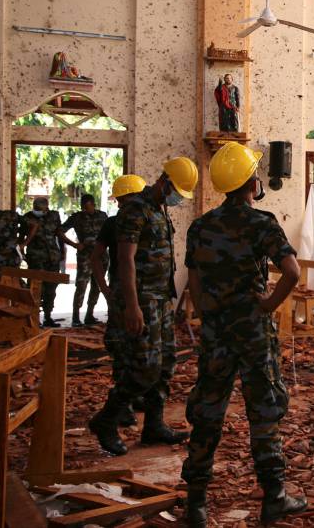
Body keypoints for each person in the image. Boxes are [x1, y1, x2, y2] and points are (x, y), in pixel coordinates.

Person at [182, 142, 305, 527]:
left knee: (207, 414)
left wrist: (207, 316)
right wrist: (268, 305)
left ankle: (197, 504)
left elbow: (194, 281)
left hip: (217, 334)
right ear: (251, 182)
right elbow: (293, 272)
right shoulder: (261, 223)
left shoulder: (200, 226)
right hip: (252, 332)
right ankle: (274, 498)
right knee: (264, 413)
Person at [88, 157, 198, 456]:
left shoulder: (158, 209)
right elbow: (125, 260)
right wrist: (132, 306)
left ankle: (154, 425)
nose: (177, 198)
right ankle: (107, 419)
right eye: (176, 190)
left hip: (160, 299)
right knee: (145, 368)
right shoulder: (135, 210)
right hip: (141, 301)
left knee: (165, 364)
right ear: (164, 181)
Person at [91, 174, 146, 428]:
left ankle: (134, 397)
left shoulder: (149, 219)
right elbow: (96, 257)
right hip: (123, 296)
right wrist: (105, 290)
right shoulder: (113, 224)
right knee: (123, 348)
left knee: (140, 350)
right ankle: (122, 407)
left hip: (141, 295)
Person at [61, 194, 109, 326]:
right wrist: (75, 245)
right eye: (83, 207)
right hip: (85, 257)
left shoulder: (103, 216)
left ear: (93, 204)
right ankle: (76, 317)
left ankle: (90, 315)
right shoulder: (77, 217)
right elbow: (59, 231)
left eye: (87, 207)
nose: (85, 210)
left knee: (97, 286)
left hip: (101, 257)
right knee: (81, 286)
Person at [23, 197, 63, 328]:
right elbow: (21, 236)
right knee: (36, 288)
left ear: (47, 207)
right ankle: (34, 318)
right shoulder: (27, 217)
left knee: (51, 289)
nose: (37, 211)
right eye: (35, 208)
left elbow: (59, 233)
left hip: (53, 257)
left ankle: (48, 316)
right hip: (36, 258)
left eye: (40, 209)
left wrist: (62, 252)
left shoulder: (54, 215)